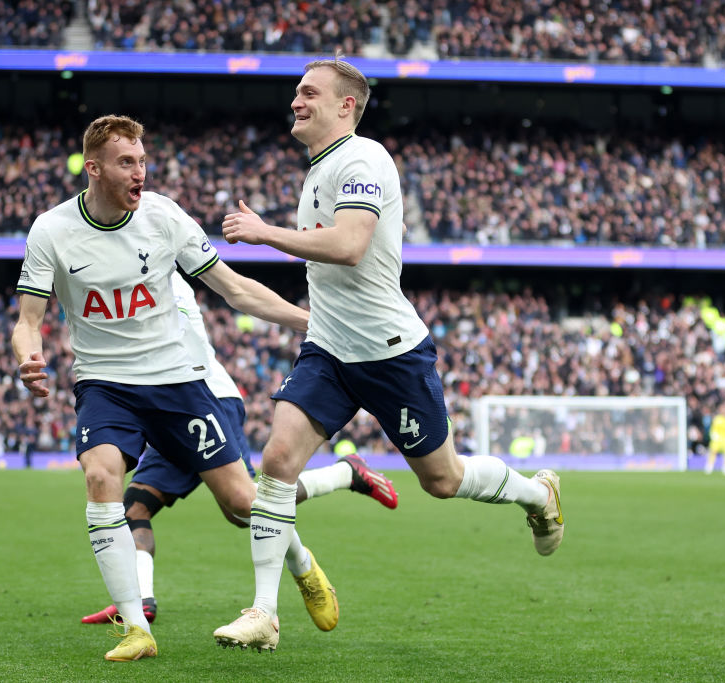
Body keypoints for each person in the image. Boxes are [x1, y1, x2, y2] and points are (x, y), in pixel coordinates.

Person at [213, 58, 565, 651]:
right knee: (275, 462)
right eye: (296, 92)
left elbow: (350, 246)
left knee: (443, 480)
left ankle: (538, 494)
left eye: (309, 92)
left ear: (346, 104)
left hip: (389, 352)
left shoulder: (364, 158)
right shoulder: (320, 166)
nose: (295, 101)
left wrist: (266, 233)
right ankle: (263, 614)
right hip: (328, 348)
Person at [12, 114, 338, 662]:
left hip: (176, 381)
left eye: (142, 160)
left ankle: (303, 563)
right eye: (126, 162)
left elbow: (233, 288)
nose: (140, 171)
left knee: (241, 504)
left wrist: (306, 321)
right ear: (93, 168)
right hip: (104, 383)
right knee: (100, 476)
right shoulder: (51, 230)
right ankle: (137, 628)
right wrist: (28, 356)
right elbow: (27, 320)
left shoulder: (163, 216)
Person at [81, 271, 399, 625]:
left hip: (202, 398)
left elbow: (190, 336)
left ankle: (337, 490)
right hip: (161, 408)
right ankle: (141, 600)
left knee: (245, 506)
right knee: (135, 507)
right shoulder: (116, 274)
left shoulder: (160, 277)